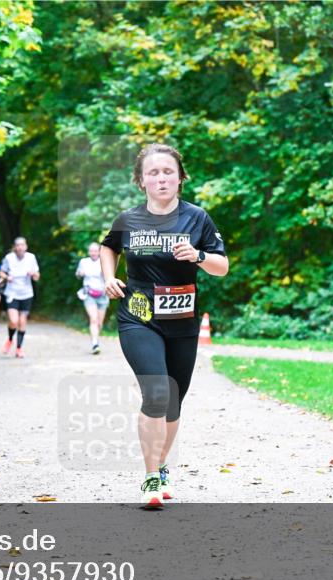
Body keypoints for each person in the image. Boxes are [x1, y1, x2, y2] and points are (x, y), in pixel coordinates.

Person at [100, 143, 228, 509]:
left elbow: (223, 265)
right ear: (141, 180)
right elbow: (109, 247)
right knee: (156, 393)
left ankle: (163, 466)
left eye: (168, 172)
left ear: (180, 178)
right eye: (153, 172)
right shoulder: (128, 220)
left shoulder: (197, 218)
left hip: (183, 321)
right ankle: (150, 476)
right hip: (138, 316)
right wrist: (109, 276)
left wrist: (199, 256)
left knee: (173, 401)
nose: (161, 178)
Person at [0, 237, 40, 359]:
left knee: (22, 322)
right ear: (15, 247)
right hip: (12, 293)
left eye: (22, 245)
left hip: (26, 294)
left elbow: (37, 276)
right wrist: (7, 277)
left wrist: (33, 274)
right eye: (18, 245)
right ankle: (10, 339)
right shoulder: (9, 258)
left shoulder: (31, 258)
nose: (20, 247)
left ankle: (19, 348)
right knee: (13, 321)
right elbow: (1, 272)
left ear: (26, 246)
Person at [75, 242, 109, 354]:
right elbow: (78, 274)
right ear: (89, 252)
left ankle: (96, 339)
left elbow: (109, 278)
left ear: (99, 251)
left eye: (95, 251)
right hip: (89, 294)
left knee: (99, 323)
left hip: (103, 295)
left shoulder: (104, 262)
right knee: (93, 319)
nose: (93, 253)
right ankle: (95, 343)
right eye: (91, 251)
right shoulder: (83, 262)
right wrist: (80, 273)